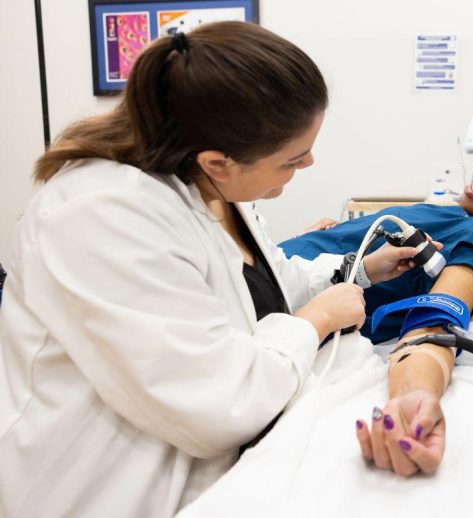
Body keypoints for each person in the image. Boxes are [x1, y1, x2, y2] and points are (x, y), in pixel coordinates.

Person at [0, 22, 429, 516]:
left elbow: (262, 288)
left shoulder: (208, 185)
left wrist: (359, 271)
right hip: (109, 486)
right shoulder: (98, 215)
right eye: (292, 160)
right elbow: (217, 405)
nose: (309, 163)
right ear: (218, 162)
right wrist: (317, 321)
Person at [280, 146, 473, 476]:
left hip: (272, 297)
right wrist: (330, 237)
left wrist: (415, 393)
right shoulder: (458, 214)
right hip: (279, 267)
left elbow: (436, 318)